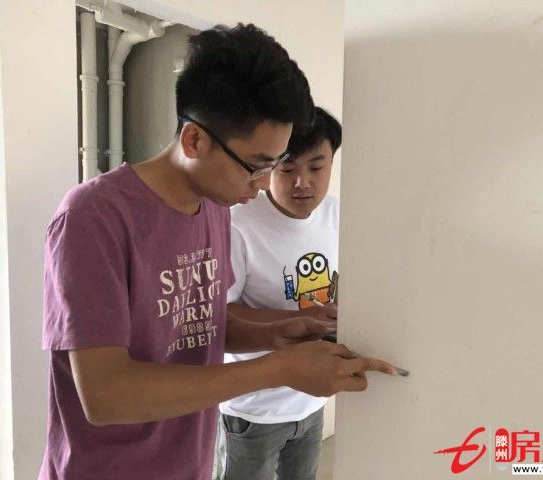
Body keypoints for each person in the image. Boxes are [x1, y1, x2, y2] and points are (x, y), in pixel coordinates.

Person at [39, 23, 395, 480]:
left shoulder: (215, 207)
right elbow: (105, 395)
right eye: (256, 167)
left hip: (189, 464)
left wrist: (277, 334)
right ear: (194, 140)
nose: (263, 185)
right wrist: (276, 369)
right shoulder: (94, 217)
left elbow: (198, 326)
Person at [219, 107, 343, 480]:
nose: (303, 182)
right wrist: (299, 319)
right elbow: (219, 316)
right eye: (287, 170)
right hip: (253, 407)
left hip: (311, 399)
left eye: (317, 167)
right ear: (269, 166)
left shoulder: (337, 215)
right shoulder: (238, 225)